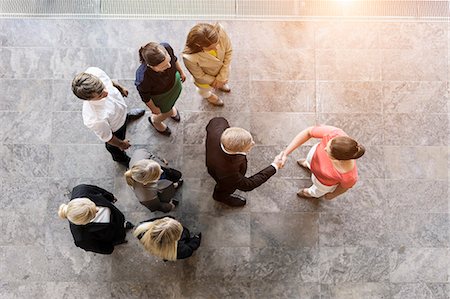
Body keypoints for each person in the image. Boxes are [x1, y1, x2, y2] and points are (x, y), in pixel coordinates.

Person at [72, 67, 145, 168]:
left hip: (119, 112)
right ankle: (121, 158)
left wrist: (120, 88)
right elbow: (109, 138)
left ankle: (126, 117)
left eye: (103, 87)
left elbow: (109, 80)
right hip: (116, 128)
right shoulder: (96, 119)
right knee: (113, 148)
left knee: (121, 114)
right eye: (100, 95)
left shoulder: (94, 72)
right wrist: (121, 144)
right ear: (89, 99)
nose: (106, 92)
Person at [206, 117, 284, 207]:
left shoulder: (218, 123)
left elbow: (214, 123)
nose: (253, 143)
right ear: (237, 151)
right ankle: (220, 196)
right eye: (249, 145)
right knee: (226, 187)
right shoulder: (228, 172)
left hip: (213, 159)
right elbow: (248, 185)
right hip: (221, 176)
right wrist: (275, 166)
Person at [281, 125, 365, 200]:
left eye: (327, 151)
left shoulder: (349, 176)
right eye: (327, 144)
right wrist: (285, 153)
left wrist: (333, 195)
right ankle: (308, 164)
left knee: (317, 190)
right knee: (309, 161)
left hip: (323, 182)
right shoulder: (335, 133)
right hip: (314, 158)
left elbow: (343, 188)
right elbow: (308, 132)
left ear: (337, 159)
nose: (324, 148)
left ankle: (309, 193)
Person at [58, 184, 134, 254]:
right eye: (93, 214)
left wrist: (110, 197)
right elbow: (102, 248)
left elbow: (98, 190)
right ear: (84, 222)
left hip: (116, 217)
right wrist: (112, 246)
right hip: (113, 235)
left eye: (93, 205)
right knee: (120, 235)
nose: (97, 209)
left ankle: (123, 224)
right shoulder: (81, 238)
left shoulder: (82, 190)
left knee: (120, 221)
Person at [135, 42, 186, 136]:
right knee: (164, 112)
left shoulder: (166, 47)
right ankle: (155, 121)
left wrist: (181, 72)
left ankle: (170, 109)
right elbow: (145, 97)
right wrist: (153, 108)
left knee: (170, 106)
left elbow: (174, 60)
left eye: (168, 62)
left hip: (173, 84)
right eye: (164, 66)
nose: (169, 66)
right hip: (161, 95)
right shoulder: (143, 78)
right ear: (151, 66)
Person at [183, 23, 232, 107]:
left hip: (223, 71)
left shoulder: (220, 31)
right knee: (203, 91)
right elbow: (199, 76)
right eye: (210, 48)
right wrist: (216, 82)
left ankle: (221, 85)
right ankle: (209, 96)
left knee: (222, 81)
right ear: (199, 45)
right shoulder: (189, 58)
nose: (216, 48)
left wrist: (221, 78)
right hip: (206, 81)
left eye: (217, 43)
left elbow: (228, 51)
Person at [124, 148, 183, 213]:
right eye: (156, 174)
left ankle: (173, 185)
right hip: (161, 193)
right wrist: (170, 206)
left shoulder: (141, 152)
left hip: (159, 184)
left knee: (174, 175)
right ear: (145, 182)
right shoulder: (145, 197)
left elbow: (152, 155)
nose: (162, 171)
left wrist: (161, 160)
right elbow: (158, 206)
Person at [134, 216, 201, 261]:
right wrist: (196, 239)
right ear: (176, 238)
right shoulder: (180, 250)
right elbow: (189, 250)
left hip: (164, 252)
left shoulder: (141, 230)